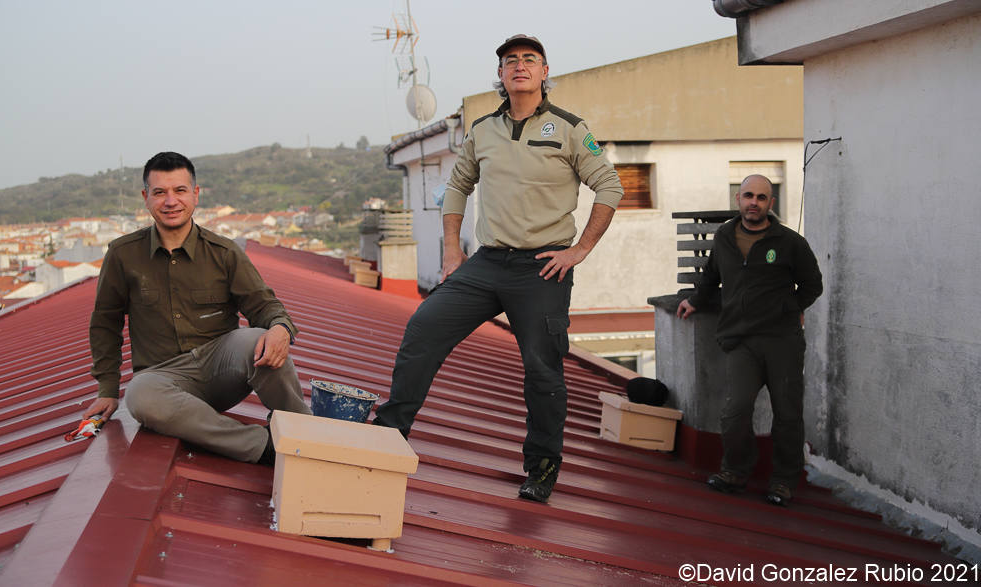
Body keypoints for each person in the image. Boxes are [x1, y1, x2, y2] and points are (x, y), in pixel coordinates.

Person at [373, 34, 624, 503]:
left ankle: (542, 468)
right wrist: (452, 251)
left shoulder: (570, 128)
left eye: (530, 59)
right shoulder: (483, 130)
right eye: (511, 61)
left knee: (542, 370)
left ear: (545, 72)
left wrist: (580, 250)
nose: (520, 66)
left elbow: (610, 187)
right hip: (487, 263)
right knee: (423, 327)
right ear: (502, 75)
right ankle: (388, 434)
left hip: (542, 268)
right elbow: (456, 187)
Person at [85, 152, 312, 464]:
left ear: (195, 194)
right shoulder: (123, 255)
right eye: (159, 192)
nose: (170, 201)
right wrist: (107, 389)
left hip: (221, 369)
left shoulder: (224, 252)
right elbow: (105, 323)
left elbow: (264, 304)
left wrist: (280, 329)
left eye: (179, 191)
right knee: (139, 396)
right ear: (145, 198)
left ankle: (307, 437)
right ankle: (264, 447)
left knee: (260, 338)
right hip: (163, 376)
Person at [676, 174, 822, 506]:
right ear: (738, 199)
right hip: (740, 339)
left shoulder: (789, 242)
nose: (753, 202)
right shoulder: (725, 236)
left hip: (781, 340)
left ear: (771, 203)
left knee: (787, 413)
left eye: (761, 197)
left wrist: (790, 308)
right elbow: (712, 277)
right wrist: (696, 300)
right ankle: (735, 472)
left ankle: (784, 481)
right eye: (748, 196)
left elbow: (813, 285)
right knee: (735, 410)